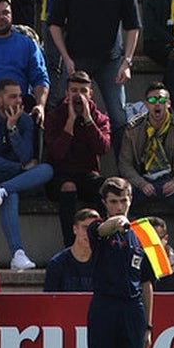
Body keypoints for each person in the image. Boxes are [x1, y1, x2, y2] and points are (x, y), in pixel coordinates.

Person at [48, 0, 140, 153]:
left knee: (118, 117)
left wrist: (127, 61)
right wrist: (66, 58)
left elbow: (133, 26)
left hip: (111, 61)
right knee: (64, 112)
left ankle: (122, 171)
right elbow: (55, 24)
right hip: (76, 59)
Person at [117, 83, 174, 271]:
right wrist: (140, 183)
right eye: (153, 99)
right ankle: (129, 244)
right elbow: (124, 164)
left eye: (162, 100)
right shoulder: (133, 128)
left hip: (169, 182)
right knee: (118, 198)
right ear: (146, 104)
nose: (158, 104)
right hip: (142, 182)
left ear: (169, 103)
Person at [0, 78, 54, 271]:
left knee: (47, 170)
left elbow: (26, 155)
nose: (18, 101)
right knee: (11, 194)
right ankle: (17, 253)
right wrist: (20, 169)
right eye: (13, 97)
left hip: (12, 181)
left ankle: (2, 190)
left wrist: (13, 129)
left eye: (20, 96)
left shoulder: (25, 120)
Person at [87, 176, 156, 348]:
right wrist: (118, 222)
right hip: (104, 308)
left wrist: (147, 326)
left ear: (131, 200)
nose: (119, 206)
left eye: (123, 201)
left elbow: (146, 283)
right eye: (113, 201)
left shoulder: (143, 234)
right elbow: (104, 229)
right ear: (104, 203)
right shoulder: (97, 228)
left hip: (132, 311)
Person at [45, 71, 111, 248]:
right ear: (67, 93)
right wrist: (71, 121)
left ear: (90, 94)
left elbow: (103, 148)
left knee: (108, 188)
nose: (78, 95)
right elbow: (56, 153)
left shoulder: (99, 118)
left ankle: (104, 242)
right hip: (60, 176)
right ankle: (70, 245)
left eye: (83, 91)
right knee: (68, 186)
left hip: (88, 174)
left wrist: (88, 120)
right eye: (74, 90)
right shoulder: (54, 116)